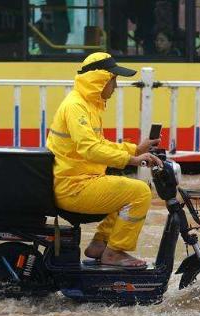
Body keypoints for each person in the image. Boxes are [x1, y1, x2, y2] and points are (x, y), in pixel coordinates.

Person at [46, 52, 163, 268]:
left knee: (128, 189)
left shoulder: (87, 104)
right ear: (100, 80)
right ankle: (114, 252)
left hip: (82, 181)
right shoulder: (76, 106)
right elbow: (90, 149)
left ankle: (100, 244)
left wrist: (135, 149)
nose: (115, 87)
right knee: (139, 192)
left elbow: (99, 143)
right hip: (74, 187)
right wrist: (132, 160)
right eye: (114, 80)